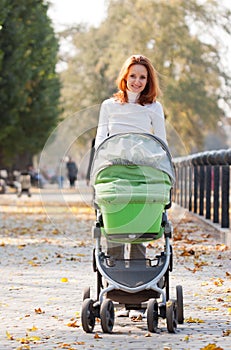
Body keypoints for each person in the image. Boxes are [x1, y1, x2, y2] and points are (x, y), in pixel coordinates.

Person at [95, 54, 168, 264]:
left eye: (142, 77)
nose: (137, 81)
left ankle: (139, 268)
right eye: (133, 76)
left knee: (140, 209)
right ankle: (114, 267)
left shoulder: (154, 107)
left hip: (143, 164)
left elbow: (160, 140)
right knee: (116, 208)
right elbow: (101, 137)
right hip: (115, 164)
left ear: (148, 81)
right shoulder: (109, 105)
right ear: (125, 77)